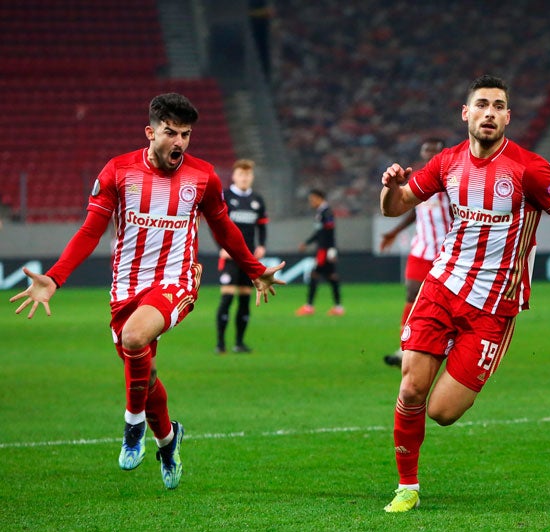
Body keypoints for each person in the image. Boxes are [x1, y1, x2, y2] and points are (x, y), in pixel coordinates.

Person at [9, 93, 285, 490]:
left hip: (177, 280)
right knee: (146, 371)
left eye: (185, 135)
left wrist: (255, 270)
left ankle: (133, 425)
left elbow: (223, 228)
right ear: (150, 131)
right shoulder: (118, 171)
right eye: (170, 132)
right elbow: (91, 230)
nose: (179, 142)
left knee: (134, 337)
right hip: (126, 287)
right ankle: (169, 440)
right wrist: (54, 277)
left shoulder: (203, 176)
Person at [379, 75, 550, 513]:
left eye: (499, 106)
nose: (490, 112)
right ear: (466, 113)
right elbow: (396, 206)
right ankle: (408, 485)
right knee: (412, 388)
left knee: (442, 411)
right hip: (442, 286)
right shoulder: (447, 162)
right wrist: (391, 186)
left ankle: (461, 357)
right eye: (482, 104)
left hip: (493, 307)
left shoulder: (528, 167)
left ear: (508, 117)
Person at [379, 138, 450, 367]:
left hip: (447, 250)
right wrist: (393, 231)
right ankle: (404, 348)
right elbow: (412, 209)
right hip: (421, 248)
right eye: (426, 150)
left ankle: (444, 344)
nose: (429, 153)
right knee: (411, 294)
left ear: (441, 153)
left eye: (434, 150)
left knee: (446, 302)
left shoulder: (451, 178)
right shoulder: (419, 178)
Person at [216, 158, 269, 354]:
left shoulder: (257, 200)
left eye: (248, 175)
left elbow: (262, 225)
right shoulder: (226, 197)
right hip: (231, 257)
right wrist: (221, 247)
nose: (245, 178)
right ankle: (220, 343)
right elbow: (217, 226)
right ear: (234, 176)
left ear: (252, 177)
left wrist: (262, 245)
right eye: (241, 174)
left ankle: (239, 342)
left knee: (246, 299)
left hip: (248, 258)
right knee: (227, 298)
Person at [295, 188, 344, 316]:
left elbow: (329, 233)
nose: (311, 202)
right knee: (331, 277)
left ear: (319, 198)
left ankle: (309, 307)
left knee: (316, 275)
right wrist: (306, 243)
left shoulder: (327, 213)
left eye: (312, 199)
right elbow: (319, 233)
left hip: (325, 250)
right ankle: (338, 307)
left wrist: (331, 250)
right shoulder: (320, 212)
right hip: (323, 249)